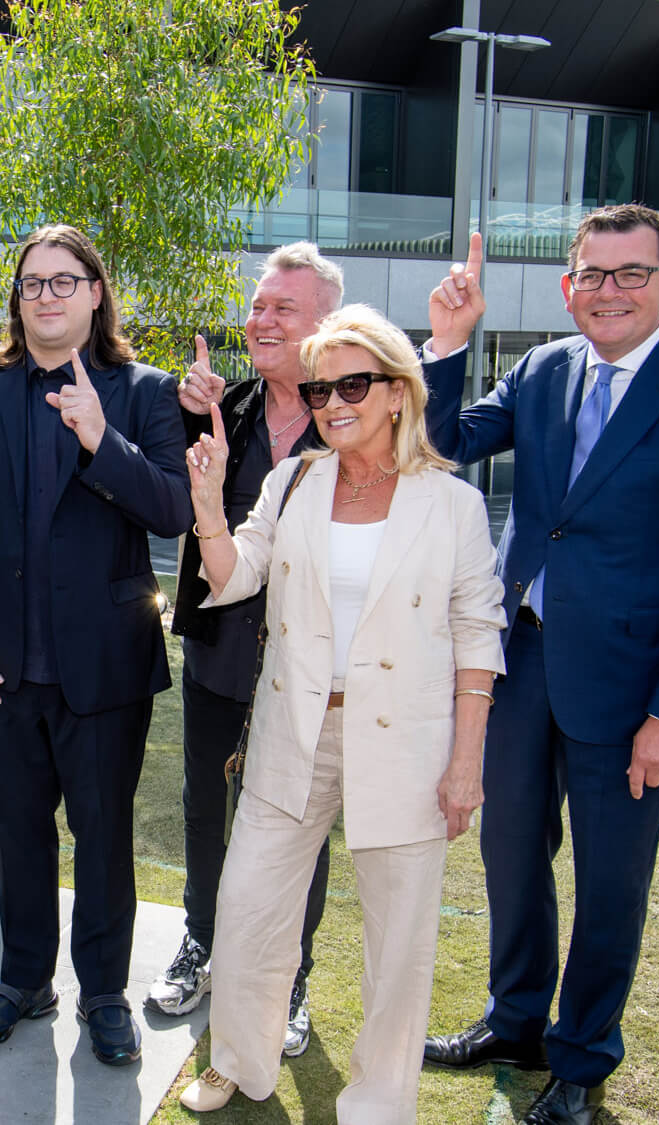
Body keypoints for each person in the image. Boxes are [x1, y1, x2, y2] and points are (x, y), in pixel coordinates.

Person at [419, 204, 659, 1125]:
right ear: (568, 283)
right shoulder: (544, 368)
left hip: (634, 691)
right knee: (510, 853)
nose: (608, 291)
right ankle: (516, 1020)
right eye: (592, 274)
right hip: (521, 662)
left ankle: (580, 1061)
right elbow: (447, 441)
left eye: (630, 273)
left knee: (612, 882)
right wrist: (449, 341)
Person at [174, 305, 503, 1120]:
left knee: (398, 939)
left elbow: (476, 637)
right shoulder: (294, 480)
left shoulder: (452, 503)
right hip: (296, 725)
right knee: (247, 905)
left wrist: (467, 762)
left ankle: (380, 1097)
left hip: (406, 738)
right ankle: (239, 1061)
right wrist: (210, 508)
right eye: (321, 387)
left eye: (354, 382)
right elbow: (236, 574)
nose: (332, 401)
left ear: (399, 391)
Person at [0, 224, 192, 1066]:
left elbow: (170, 511)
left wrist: (98, 438)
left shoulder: (144, 391)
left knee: (103, 835)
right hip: (3, 663)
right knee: (18, 831)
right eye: (31, 283)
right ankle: (22, 981)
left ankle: (105, 992)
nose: (45, 295)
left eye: (62, 280)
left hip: (105, 663)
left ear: (94, 291)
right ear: (18, 298)